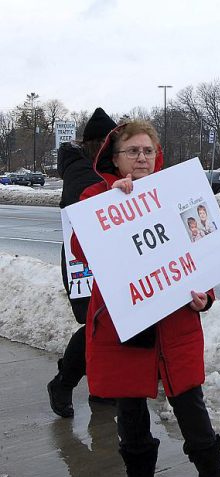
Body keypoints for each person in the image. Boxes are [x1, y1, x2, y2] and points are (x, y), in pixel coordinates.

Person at [71, 120, 220, 477]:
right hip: (123, 325)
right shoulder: (95, 196)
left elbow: (199, 252)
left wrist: (206, 297)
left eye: (148, 150)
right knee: (130, 409)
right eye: (133, 151)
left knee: (190, 404)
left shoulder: (174, 193)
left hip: (176, 324)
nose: (142, 158)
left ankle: (212, 472)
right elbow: (81, 249)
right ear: (114, 158)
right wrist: (109, 203)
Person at [47, 107, 117, 418]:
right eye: (105, 141)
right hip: (82, 262)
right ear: (93, 143)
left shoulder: (102, 170)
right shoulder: (81, 172)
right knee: (95, 323)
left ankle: (101, 388)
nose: (110, 147)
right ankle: (63, 382)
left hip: (112, 258)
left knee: (111, 323)